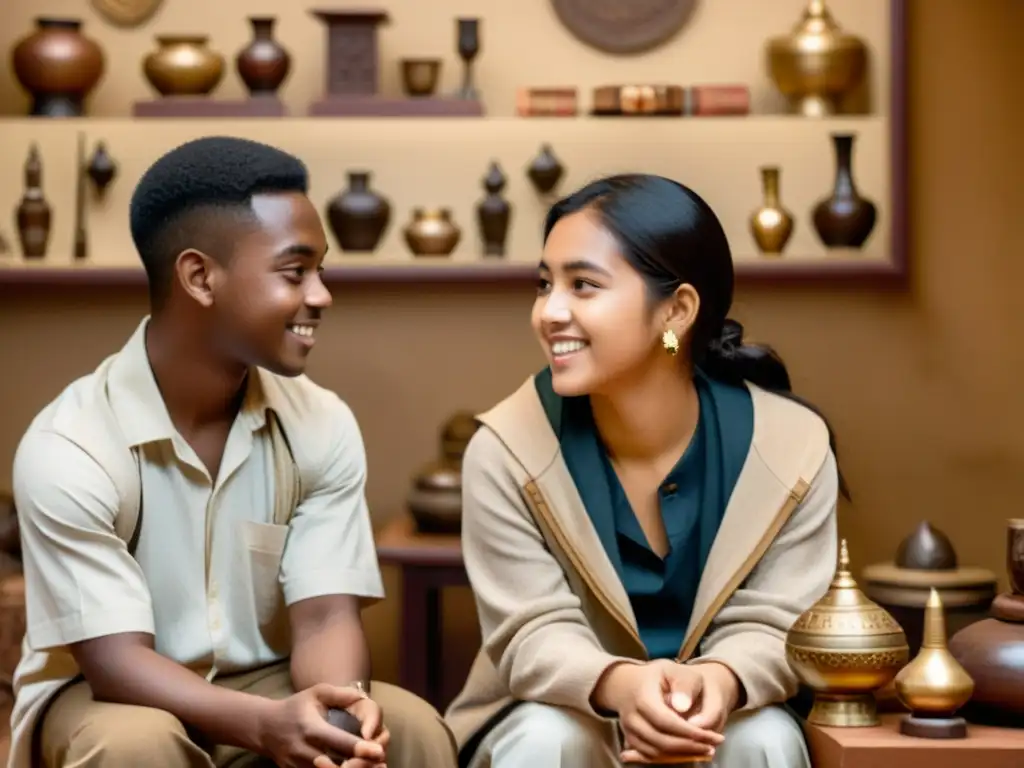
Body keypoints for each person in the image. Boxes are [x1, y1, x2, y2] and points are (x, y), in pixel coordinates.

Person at [9, 136, 458, 768]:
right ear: (200, 277)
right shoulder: (70, 447)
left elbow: (326, 619)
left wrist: (338, 714)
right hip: (110, 697)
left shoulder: (320, 424)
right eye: (294, 271)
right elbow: (113, 662)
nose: (322, 295)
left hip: (268, 683)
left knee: (409, 728)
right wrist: (266, 726)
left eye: (321, 270)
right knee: (137, 745)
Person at [445, 174, 846, 768]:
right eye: (544, 284)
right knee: (547, 738)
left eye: (583, 285)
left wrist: (721, 680)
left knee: (763, 738)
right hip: (568, 713)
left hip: (724, 720)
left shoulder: (791, 446)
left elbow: (782, 622)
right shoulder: (505, 449)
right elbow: (530, 633)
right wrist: (622, 687)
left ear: (677, 311)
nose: (549, 312)